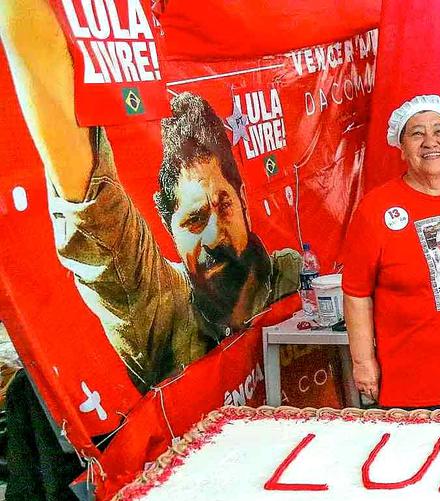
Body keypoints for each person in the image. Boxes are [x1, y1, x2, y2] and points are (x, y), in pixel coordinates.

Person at [0, 0, 300, 393]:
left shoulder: (288, 275)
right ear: (168, 227)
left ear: (242, 199)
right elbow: (98, 221)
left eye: (222, 206)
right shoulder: (163, 308)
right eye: (194, 220)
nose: (213, 237)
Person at [341, 94, 440, 410]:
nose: (430, 141)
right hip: (410, 385)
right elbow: (357, 293)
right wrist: (363, 362)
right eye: (416, 133)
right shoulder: (376, 208)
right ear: (401, 148)